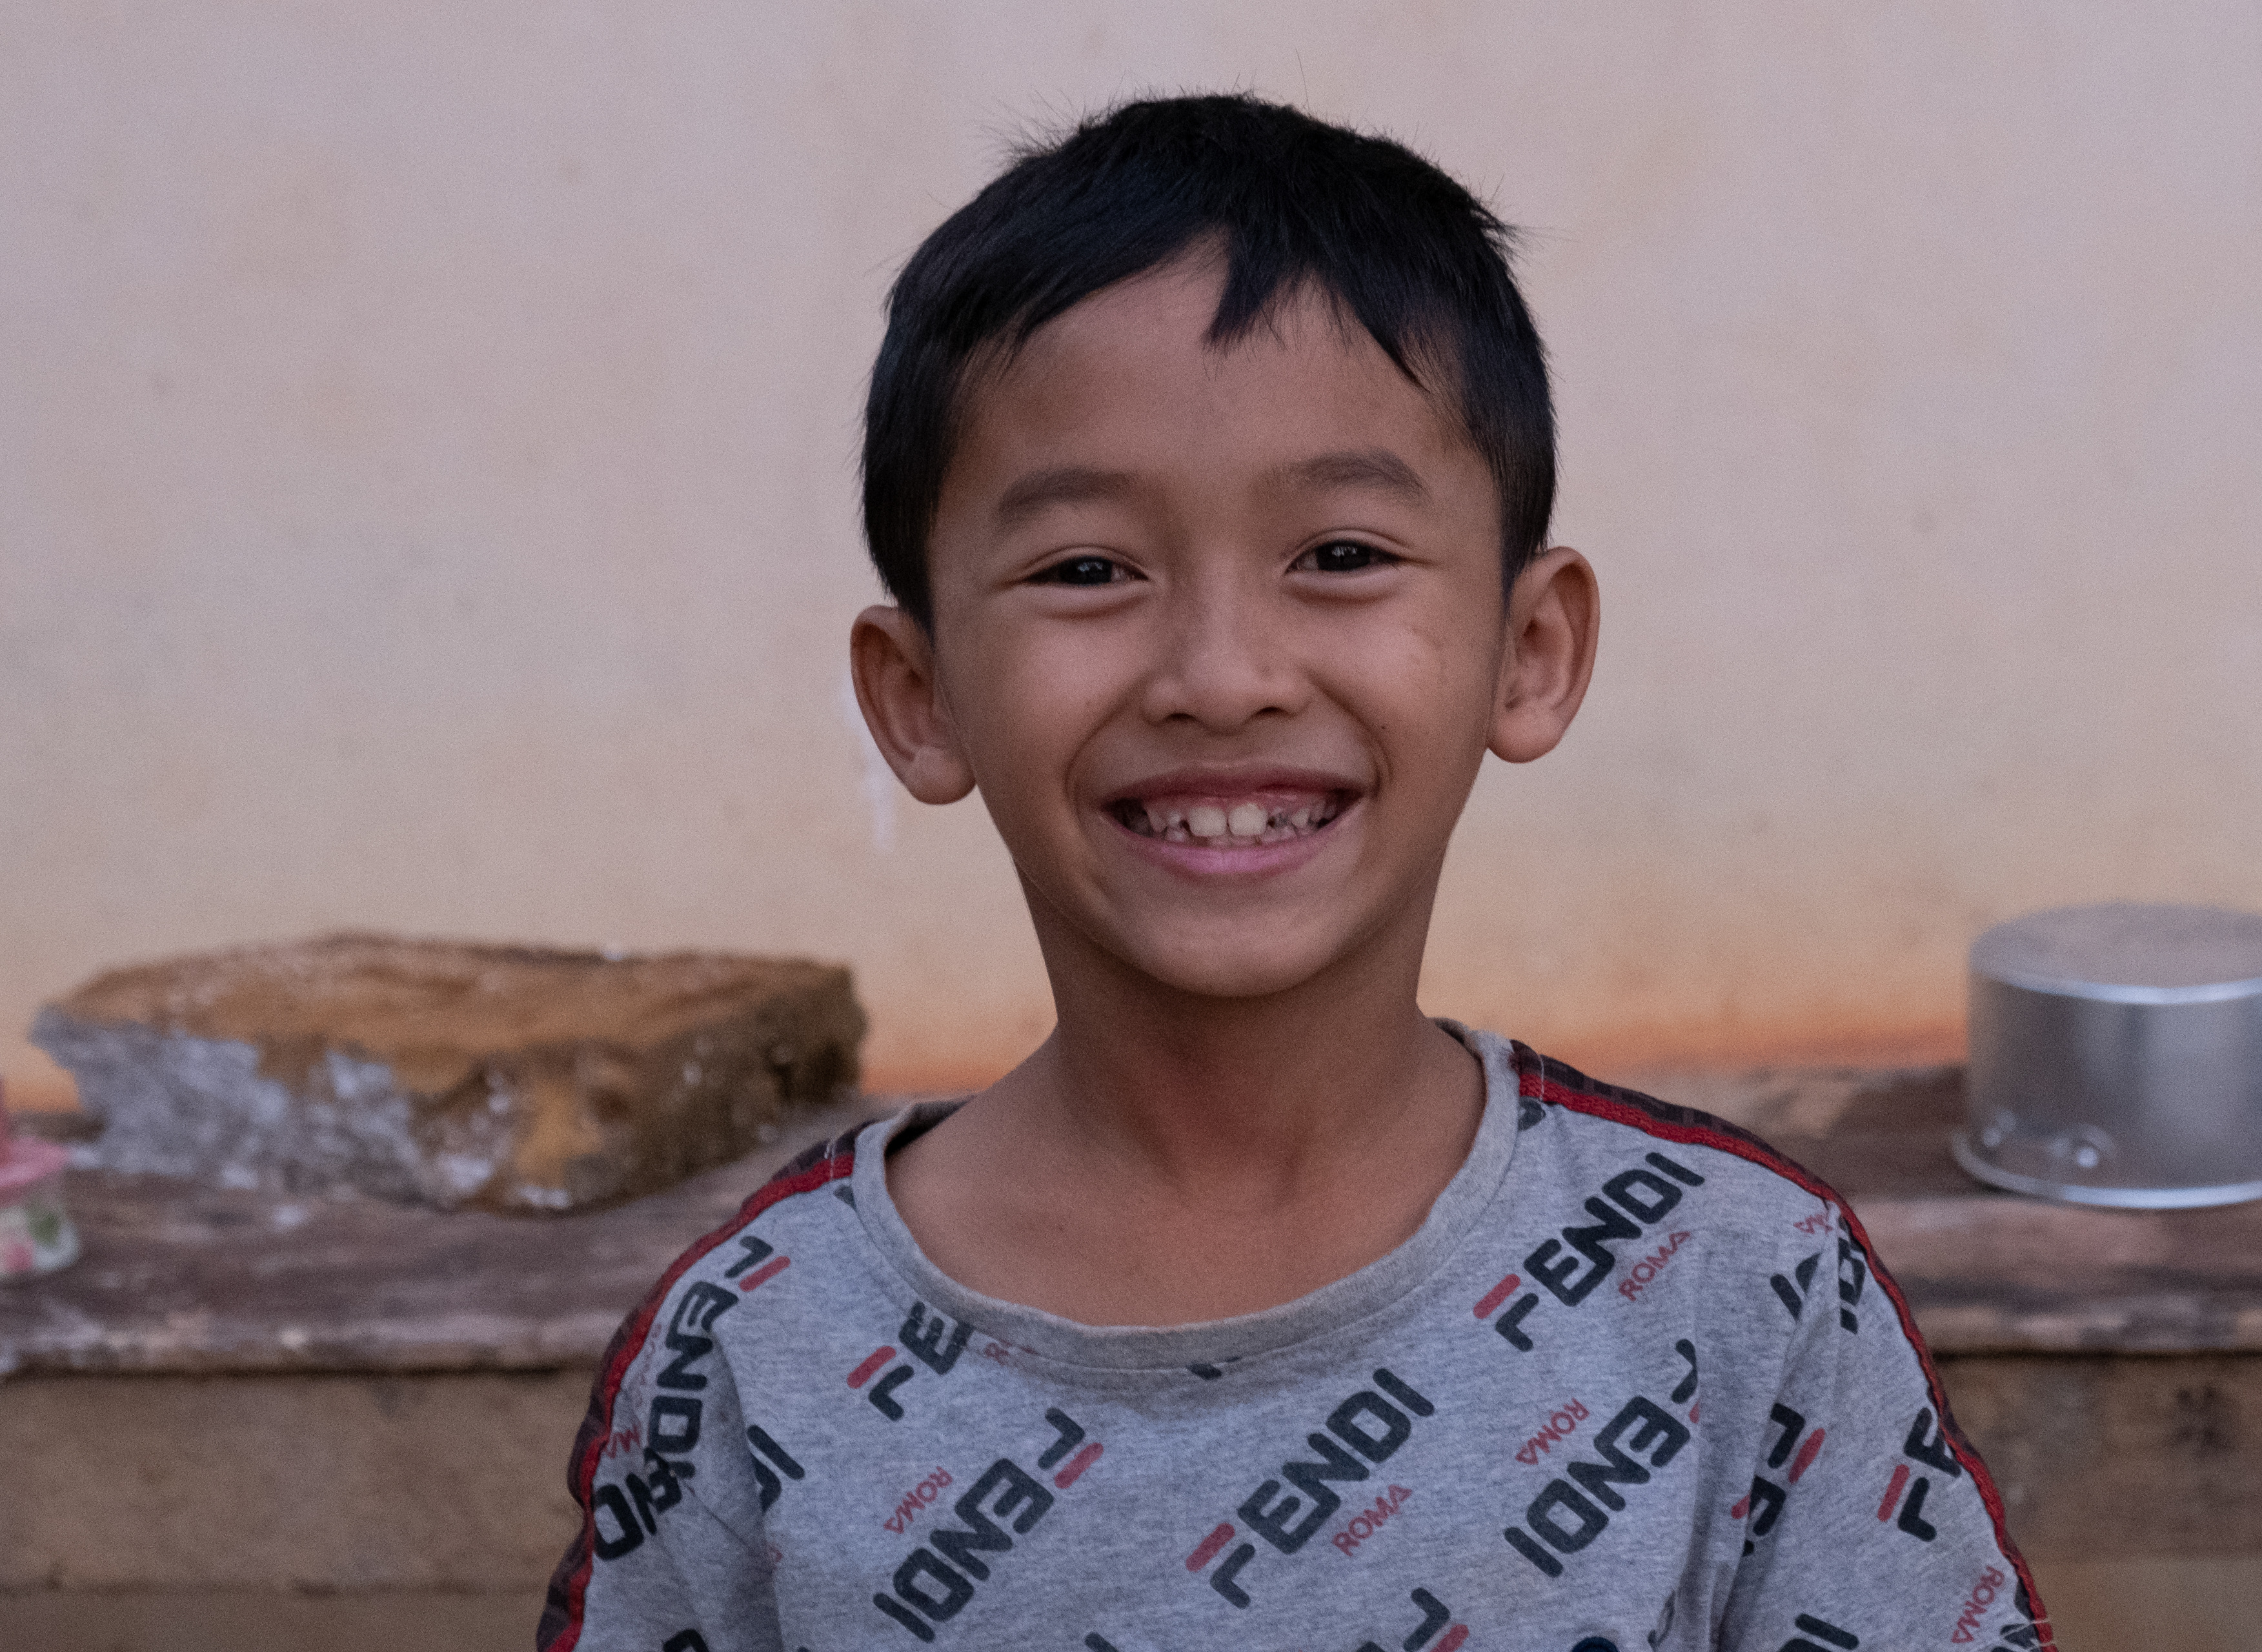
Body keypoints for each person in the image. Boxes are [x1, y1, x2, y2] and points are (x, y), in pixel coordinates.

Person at [540, 94, 2050, 1652]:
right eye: (1086, 569)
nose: (1223, 674)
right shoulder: (760, 1349)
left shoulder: (1730, 1284)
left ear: (1529, 650)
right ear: (918, 697)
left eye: (1340, 555)